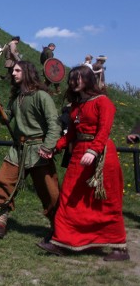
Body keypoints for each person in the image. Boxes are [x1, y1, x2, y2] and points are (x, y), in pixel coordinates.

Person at [38, 66, 130, 261]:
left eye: (77, 78)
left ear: (88, 79)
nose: (73, 82)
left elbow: (104, 130)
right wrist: (54, 147)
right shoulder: (77, 105)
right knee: (69, 196)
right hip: (80, 154)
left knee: (105, 200)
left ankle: (119, 248)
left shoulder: (103, 102)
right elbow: (71, 134)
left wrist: (93, 150)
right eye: (71, 79)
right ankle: (64, 241)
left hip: (101, 156)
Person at [0, 60, 61, 240]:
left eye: (17, 70)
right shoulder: (17, 97)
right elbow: (6, 119)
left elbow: (54, 123)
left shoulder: (41, 96)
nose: (13, 73)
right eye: (13, 70)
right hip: (19, 148)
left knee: (49, 191)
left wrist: (48, 146)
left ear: (27, 72)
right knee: (3, 181)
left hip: (39, 149)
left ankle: (59, 228)